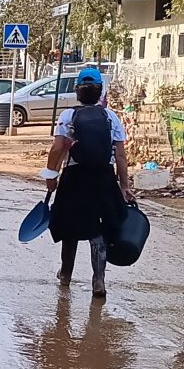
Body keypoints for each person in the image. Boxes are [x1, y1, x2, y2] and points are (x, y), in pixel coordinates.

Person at [45, 66, 134, 299]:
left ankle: (65, 274)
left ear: (77, 91)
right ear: (100, 92)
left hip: (75, 177)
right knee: (99, 230)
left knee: (70, 227)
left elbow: (58, 148)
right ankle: (99, 280)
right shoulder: (110, 117)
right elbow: (121, 157)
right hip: (104, 178)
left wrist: (50, 175)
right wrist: (124, 187)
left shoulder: (68, 116)